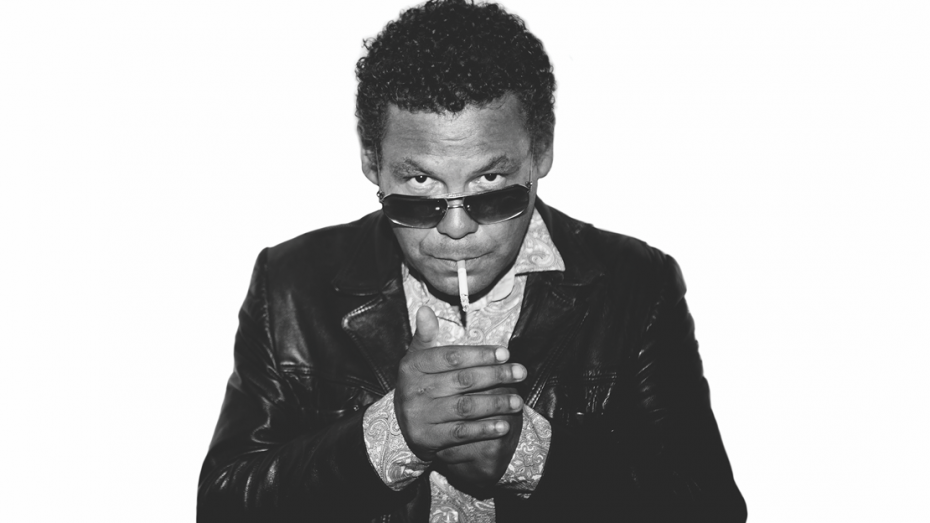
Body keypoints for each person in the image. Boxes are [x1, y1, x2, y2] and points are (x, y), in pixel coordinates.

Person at [197, 0, 746, 521]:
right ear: (371, 162)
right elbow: (223, 505)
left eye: (491, 182)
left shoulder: (635, 286)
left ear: (542, 152)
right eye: (420, 184)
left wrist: (529, 456)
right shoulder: (292, 286)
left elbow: (709, 507)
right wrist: (391, 435)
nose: (457, 227)